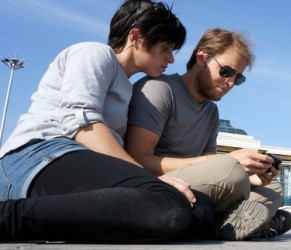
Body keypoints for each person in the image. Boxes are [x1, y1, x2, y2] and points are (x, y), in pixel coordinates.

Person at [0, 0, 213, 243]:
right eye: (166, 47)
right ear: (136, 37)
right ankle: (10, 217)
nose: (170, 59)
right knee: (166, 203)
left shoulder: (129, 89)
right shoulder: (94, 53)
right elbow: (82, 124)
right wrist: (147, 179)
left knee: (200, 208)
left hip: (75, 160)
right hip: (37, 155)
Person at [125, 27, 291, 240]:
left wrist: (252, 178)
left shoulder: (211, 111)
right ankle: (224, 223)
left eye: (238, 78)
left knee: (273, 188)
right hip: (157, 186)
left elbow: (208, 164)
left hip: (196, 188)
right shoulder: (158, 89)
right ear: (202, 57)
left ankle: (219, 223)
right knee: (229, 170)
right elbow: (137, 159)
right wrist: (230, 162)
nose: (231, 82)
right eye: (227, 72)